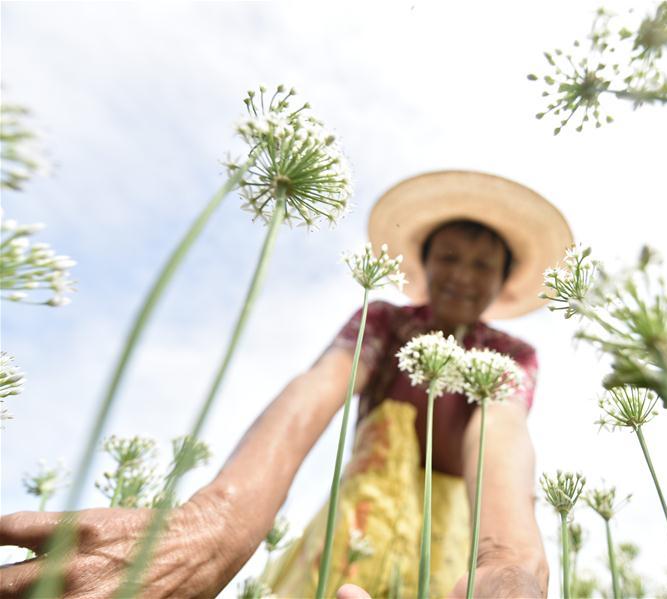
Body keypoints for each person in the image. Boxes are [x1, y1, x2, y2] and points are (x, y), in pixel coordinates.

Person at [0, 170, 573, 598]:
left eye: (482, 265)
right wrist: (217, 523)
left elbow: (500, 433)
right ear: (424, 263)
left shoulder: (512, 355)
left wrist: (507, 562)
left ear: (502, 281)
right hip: (359, 518)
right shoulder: (383, 322)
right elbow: (318, 389)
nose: (463, 275)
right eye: (449, 257)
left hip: (455, 534)